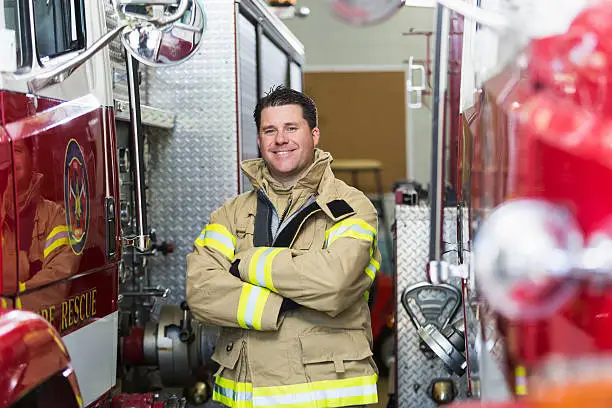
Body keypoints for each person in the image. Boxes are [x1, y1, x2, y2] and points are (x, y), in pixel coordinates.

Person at [186, 86, 382, 408]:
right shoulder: (231, 213)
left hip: (327, 396)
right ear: (260, 140)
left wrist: (245, 265)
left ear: (314, 134)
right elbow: (201, 291)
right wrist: (281, 305)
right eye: (270, 130)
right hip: (245, 394)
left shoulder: (351, 206)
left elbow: (335, 284)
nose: (281, 139)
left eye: (291, 128)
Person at [1, 138, 81, 310]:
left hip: (38, 332)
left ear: (33, 157)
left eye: (17, 150)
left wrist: (7, 303)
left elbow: (55, 285)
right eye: (3, 152)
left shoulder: (56, 217)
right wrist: (26, 269)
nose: (9, 160)